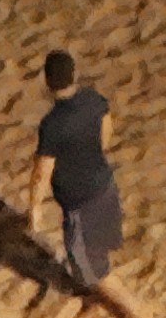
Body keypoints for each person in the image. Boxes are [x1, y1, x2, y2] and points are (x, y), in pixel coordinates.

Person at [34, 53, 120, 305]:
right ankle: (99, 295)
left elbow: (41, 172)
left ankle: (133, 308)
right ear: (75, 74)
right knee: (94, 252)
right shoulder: (94, 100)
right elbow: (106, 130)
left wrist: (36, 208)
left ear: (47, 82)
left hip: (80, 201)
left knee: (87, 265)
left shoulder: (52, 124)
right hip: (104, 184)